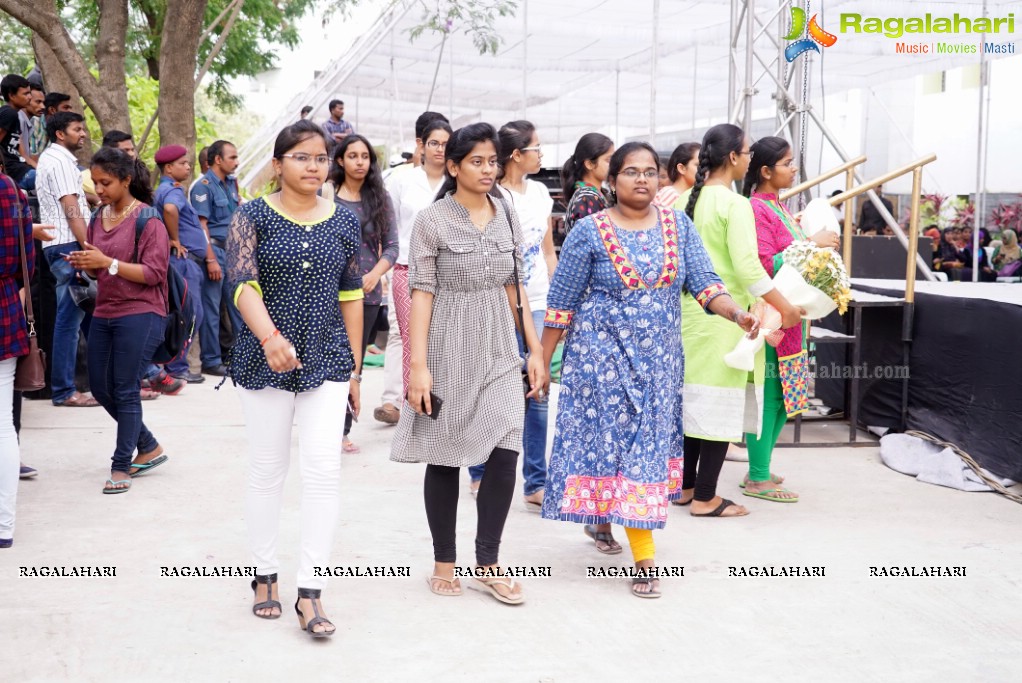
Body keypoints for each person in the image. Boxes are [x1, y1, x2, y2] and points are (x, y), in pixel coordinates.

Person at [541, 141, 758, 597]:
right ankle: (612, 530)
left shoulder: (679, 225)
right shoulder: (590, 232)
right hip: (599, 362)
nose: (642, 179)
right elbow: (561, 303)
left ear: (661, 179)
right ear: (613, 180)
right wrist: (541, 359)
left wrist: (737, 314)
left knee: (642, 454)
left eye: (650, 172)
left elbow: (705, 283)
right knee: (608, 446)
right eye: (631, 172)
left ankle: (639, 553)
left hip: (659, 365)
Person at [390, 122, 548, 604]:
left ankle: (488, 561)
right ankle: (443, 562)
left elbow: (515, 284)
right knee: (445, 453)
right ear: (454, 166)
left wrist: (535, 349)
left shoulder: (506, 212)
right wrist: (418, 365)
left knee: (505, 449)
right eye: (476, 161)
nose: (487, 170)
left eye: (493, 161)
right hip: (446, 342)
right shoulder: (432, 220)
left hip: (500, 342)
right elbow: (421, 293)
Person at [226, 120, 363, 638]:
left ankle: (311, 591)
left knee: (323, 470)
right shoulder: (251, 215)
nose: (313, 166)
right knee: (267, 469)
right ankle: (263, 576)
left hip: (326, 357)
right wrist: (268, 337)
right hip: (264, 360)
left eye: (320, 158)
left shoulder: (344, 221)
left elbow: (351, 295)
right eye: (302, 157)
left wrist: (352, 368)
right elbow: (241, 283)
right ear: (279, 163)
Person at [678, 124, 803, 517]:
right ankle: (706, 498)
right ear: (733, 158)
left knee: (691, 402)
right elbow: (749, 269)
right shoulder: (735, 205)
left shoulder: (683, 199)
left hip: (687, 316)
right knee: (719, 406)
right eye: (747, 153)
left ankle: (684, 487)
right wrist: (785, 307)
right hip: (727, 317)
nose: (749, 160)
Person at [67, 148, 171, 493]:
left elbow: (155, 273)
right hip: (106, 310)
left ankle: (121, 465)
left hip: (142, 312)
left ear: (126, 180)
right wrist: (86, 263)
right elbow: (101, 266)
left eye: (106, 182)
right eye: (95, 182)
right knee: (100, 386)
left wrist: (107, 262)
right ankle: (150, 445)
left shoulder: (148, 219)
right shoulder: (98, 217)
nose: (99, 189)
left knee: (125, 389)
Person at [743, 136, 841, 503]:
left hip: (793, 315)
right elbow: (765, 264)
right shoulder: (756, 209)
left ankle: (762, 468)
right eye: (787, 163)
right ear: (766, 171)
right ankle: (756, 477)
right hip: (773, 314)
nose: (794, 168)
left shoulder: (779, 208)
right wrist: (810, 244)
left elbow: (789, 254)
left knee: (787, 396)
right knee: (770, 396)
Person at [468, 120, 555, 506]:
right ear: (517, 154)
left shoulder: (540, 193)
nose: (542, 154)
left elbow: (548, 251)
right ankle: (479, 471)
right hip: (496, 306)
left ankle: (535, 481)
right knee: (492, 390)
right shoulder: (491, 195)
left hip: (536, 302)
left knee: (537, 390)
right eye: (536, 148)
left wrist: (556, 303)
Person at [375, 112, 448, 425]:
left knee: (442, 336)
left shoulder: (458, 183)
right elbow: (387, 225)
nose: (440, 150)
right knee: (409, 334)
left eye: (446, 144)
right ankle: (410, 404)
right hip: (407, 267)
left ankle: (435, 399)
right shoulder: (402, 180)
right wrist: (384, 269)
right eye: (434, 143)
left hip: (448, 270)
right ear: (422, 145)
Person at [331, 134, 398, 453]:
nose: (360, 162)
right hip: (328, 290)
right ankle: (326, 423)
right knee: (329, 357)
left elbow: (393, 246)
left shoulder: (379, 199)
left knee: (353, 359)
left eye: (365, 156)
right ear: (341, 160)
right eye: (353, 155)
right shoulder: (325, 195)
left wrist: (375, 274)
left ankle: (341, 429)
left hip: (366, 293)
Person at [35, 111, 99, 407]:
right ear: (61, 134)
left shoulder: (54, 159)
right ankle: (63, 391)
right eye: (77, 129)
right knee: (69, 321)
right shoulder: (60, 161)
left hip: (63, 245)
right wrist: (87, 245)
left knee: (80, 318)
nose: (83, 134)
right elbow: (70, 206)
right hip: (69, 246)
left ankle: (96, 384)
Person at [153, 145, 208, 380]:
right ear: (169, 167)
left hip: (184, 261)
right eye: (183, 163)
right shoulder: (173, 190)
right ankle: (177, 368)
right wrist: (174, 238)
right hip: (182, 260)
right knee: (190, 314)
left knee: (184, 312)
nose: (188, 167)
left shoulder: (165, 188)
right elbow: (170, 209)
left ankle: (174, 366)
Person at [0, 171, 34, 547]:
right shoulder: (13, 192)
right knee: (2, 425)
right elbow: (29, 265)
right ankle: (4, 527)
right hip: (5, 308)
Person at [190, 139, 244, 377]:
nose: (237, 161)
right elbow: (202, 226)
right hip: (215, 251)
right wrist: (210, 259)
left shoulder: (232, 183)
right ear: (218, 160)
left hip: (233, 251)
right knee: (212, 307)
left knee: (239, 304)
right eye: (232, 157)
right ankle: (211, 360)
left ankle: (244, 356)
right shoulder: (203, 186)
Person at [561, 133, 614, 237]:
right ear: (589, 164)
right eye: (608, 160)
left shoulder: (596, 193)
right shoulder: (587, 198)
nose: (614, 164)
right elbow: (595, 242)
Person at [0, 75, 35, 190]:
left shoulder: (16, 116)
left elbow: (24, 155)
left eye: (29, 93)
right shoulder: (9, 114)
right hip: (13, 175)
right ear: (11, 95)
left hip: (21, 170)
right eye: (25, 94)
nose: (30, 97)